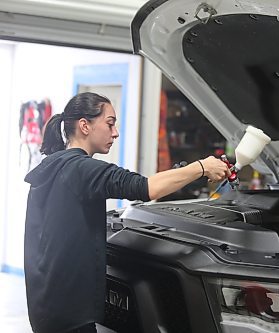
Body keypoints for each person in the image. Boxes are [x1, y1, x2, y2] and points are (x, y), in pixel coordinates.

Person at [24, 92, 231, 333]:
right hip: (70, 316)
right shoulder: (83, 169)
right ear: (84, 126)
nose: (115, 132)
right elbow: (147, 187)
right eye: (110, 123)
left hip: (47, 305)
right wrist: (202, 167)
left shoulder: (54, 165)